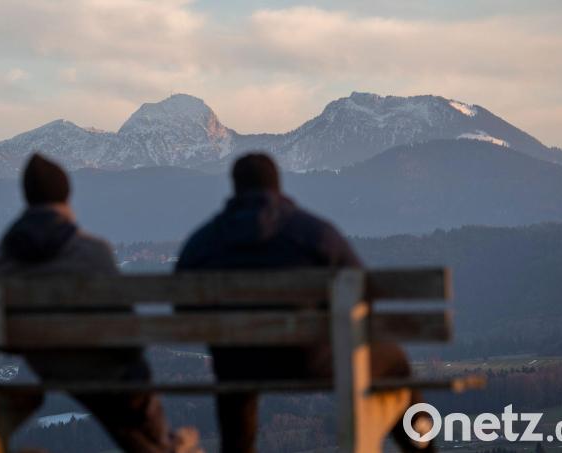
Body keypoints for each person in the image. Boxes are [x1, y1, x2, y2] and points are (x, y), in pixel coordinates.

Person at [175, 152, 432, 453]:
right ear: (277, 186)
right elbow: (362, 292)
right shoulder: (313, 233)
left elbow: (183, 309)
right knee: (395, 362)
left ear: (235, 187)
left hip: (238, 362)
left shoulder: (203, 242)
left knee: (235, 374)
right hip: (310, 359)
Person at [0, 153, 174, 453]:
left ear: (27, 198)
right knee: (129, 390)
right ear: (66, 196)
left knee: (117, 401)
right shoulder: (92, 251)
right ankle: (163, 445)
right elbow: (125, 327)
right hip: (102, 368)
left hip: (43, 364)